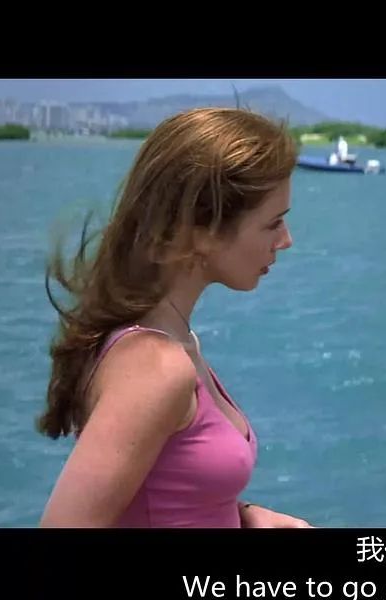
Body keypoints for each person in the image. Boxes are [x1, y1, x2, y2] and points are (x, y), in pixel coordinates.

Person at [37, 107, 310, 528]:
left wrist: (243, 518)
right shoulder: (156, 369)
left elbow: (163, 496)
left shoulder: (174, 342)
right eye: (272, 224)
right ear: (202, 230)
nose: (285, 240)